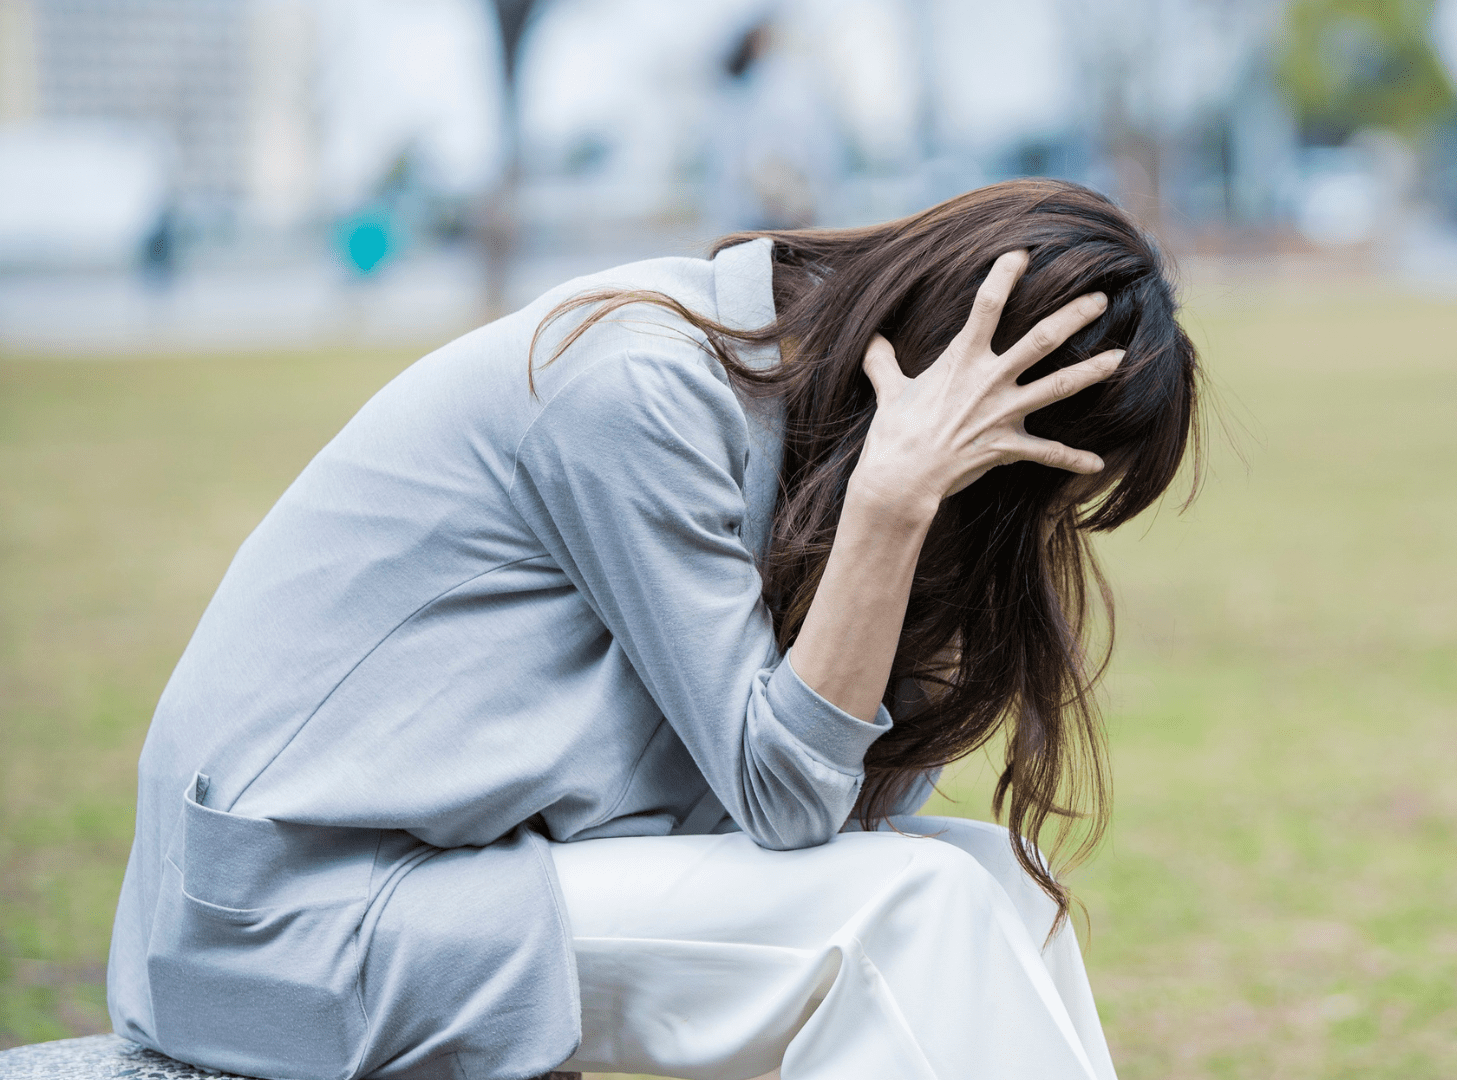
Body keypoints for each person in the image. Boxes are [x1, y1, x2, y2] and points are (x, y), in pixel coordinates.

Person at [105, 179, 1201, 1080]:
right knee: (905, 908)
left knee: (999, 882)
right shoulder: (645, 386)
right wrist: (893, 505)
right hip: (282, 931)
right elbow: (786, 804)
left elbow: (863, 796)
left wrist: (921, 543)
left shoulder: (794, 429)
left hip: (450, 886)